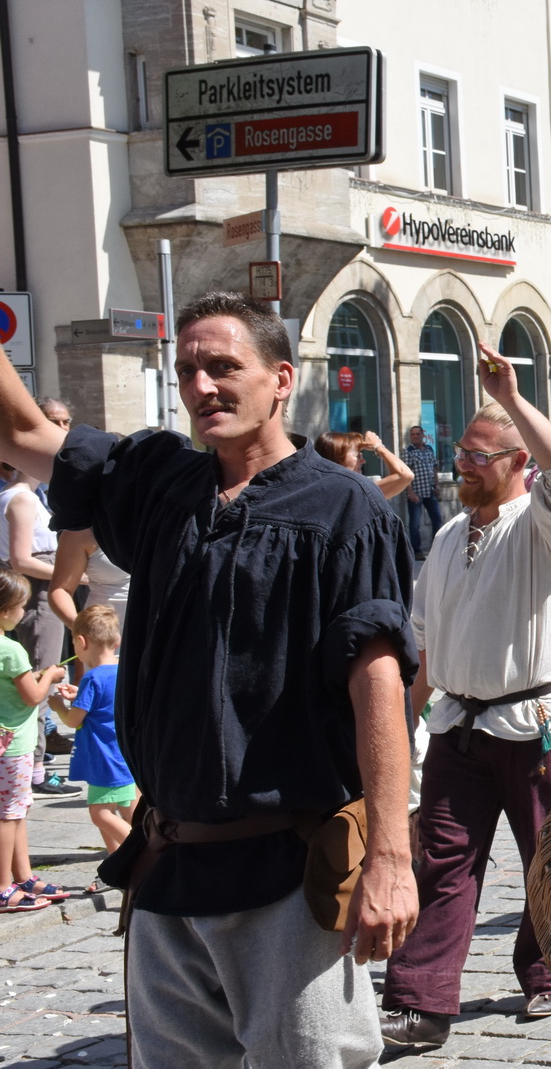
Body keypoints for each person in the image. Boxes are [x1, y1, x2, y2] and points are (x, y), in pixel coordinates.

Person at [0, 290, 418, 1067]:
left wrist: (391, 857)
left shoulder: (345, 508)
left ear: (282, 378)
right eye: (189, 368)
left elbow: (380, 684)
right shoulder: (162, 483)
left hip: (289, 879)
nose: (202, 386)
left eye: (225, 366)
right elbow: (23, 428)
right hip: (169, 870)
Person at [380, 353, 551, 1049]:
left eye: (476, 455)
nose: (461, 465)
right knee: (442, 862)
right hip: (456, 728)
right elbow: (422, 643)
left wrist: (511, 394)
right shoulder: (446, 535)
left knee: (549, 860)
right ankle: (420, 1001)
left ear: (515, 461)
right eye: (459, 454)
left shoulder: (543, 528)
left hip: (532, 726)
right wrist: (401, 718)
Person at [45, 605, 133, 889]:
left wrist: (58, 706)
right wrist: (78, 694)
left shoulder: (93, 677)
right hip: (122, 756)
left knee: (100, 814)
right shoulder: (122, 670)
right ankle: (116, 865)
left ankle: (141, 854)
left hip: (103, 759)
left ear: (81, 642)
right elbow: (100, 705)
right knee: (124, 809)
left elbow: (74, 719)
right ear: (116, 641)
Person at [0, 568, 70, 911]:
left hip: (9, 746)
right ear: (5, 610)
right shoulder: (11, 650)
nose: (23, 612)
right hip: (12, 747)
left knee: (17, 810)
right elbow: (33, 696)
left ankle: (23, 874)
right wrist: (52, 676)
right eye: (21, 606)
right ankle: (3, 887)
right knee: (9, 816)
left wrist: (34, 678)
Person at [0, 462, 70, 795]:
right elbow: (21, 559)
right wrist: (73, 578)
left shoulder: (26, 496)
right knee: (41, 675)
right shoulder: (23, 499)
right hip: (38, 593)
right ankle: (36, 769)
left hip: (34, 592)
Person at [315, 430, 416, 499]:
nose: (363, 461)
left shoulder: (318, 489)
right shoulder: (353, 491)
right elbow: (405, 475)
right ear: (337, 458)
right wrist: (378, 446)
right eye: (358, 456)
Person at [403, 425, 444, 559]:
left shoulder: (429, 449)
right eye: (412, 434)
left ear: (422, 435)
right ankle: (417, 551)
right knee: (415, 524)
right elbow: (406, 473)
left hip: (430, 491)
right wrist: (410, 492)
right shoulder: (408, 451)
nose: (414, 436)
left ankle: (436, 549)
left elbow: (434, 468)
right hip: (416, 492)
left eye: (417, 434)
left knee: (437, 519)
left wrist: (437, 485)